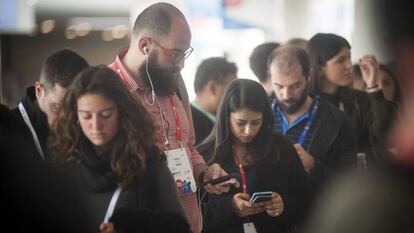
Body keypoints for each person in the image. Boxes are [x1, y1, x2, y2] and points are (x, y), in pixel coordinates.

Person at [109, 3, 230, 232]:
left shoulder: (174, 83)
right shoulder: (106, 90)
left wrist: (204, 172)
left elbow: (188, 146)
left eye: (185, 54)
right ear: (145, 45)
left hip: (188, 223)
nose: (181, 64)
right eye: (176, 54)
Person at [49, 66, 189, 233]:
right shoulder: (64, 161)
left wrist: (133, 226)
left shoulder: (146, 162)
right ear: (75, 115)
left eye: (105, 115)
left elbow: (179, 226)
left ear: (121, 113)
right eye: (86, 116)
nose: (96, 126)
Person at [198, 79, 311, 233]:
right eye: (241, 122)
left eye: (256, 122)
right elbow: (192, 215)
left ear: (265, 118)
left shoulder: (282, 149)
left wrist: (284, 204)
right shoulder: (204, 157)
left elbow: (307, 202)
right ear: (227, 117)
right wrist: (229, 207)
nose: (248, 131)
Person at [268, 44, 356, 188]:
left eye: (295, 86)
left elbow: (350, 185)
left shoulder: (337, 121)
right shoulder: (259, 114)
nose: (286, 95)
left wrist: (313, 165)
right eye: (279, 86)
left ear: (308, 76)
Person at [307, 33, 397, 166]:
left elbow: (385, 138)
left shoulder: (359, 100)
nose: (350, 65)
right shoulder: (307, 104)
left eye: (349, 57)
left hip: (359, 181)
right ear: (320, 67)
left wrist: (373, 87)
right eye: (341, 60)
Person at [10, 48, 89, 162]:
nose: (67, 119)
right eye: (57, 107)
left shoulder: (88, 130)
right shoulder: (7, 133)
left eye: (75, 108)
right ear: (38, 91)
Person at [192, 57, 238, 146]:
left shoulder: (223, 118)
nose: (236, 96)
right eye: (232, 90)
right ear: (212, 88)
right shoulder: (190, 124)